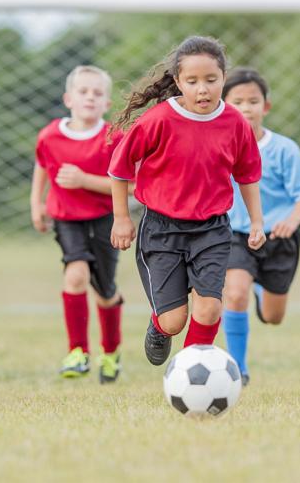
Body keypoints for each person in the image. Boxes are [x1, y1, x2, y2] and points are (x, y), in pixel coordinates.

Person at [108, 36, 265, 367]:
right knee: (174, 321)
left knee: (209, 308)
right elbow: (119, 169)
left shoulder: (235, 123)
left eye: (211, 80)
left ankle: (190, 370)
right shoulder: (157, 121)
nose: (202, 89)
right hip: (162, 229)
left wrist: (256, 221)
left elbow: (247, 175)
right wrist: (121, 219)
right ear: (178, 82)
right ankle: (158, 326)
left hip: (212, 229)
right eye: (192, 82)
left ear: (224, 78)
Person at [220, 68, 300, 386]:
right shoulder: (219, 146)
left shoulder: (284, 149)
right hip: (236, 235)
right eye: (237, 101)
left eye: (253, 101)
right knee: (234, 295)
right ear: (224, 105)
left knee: (274, 317)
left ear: (266, 106)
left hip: (278, 237)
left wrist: (291, 221)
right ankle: (238, 369)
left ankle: (261, 288)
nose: (246, 108)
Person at [31, 65, 125, 383]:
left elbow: (130, 186)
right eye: (83, 92)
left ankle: (111, 353)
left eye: (97, 93)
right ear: (68, 98)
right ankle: (78, 352)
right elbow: (42, 166)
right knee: (75, 275)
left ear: (107, 104)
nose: (90, 97)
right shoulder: (50, 136)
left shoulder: (115, 137)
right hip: (66, 218)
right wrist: (37, 203)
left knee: (105, 291)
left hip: (105, 219)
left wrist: (85, 180)